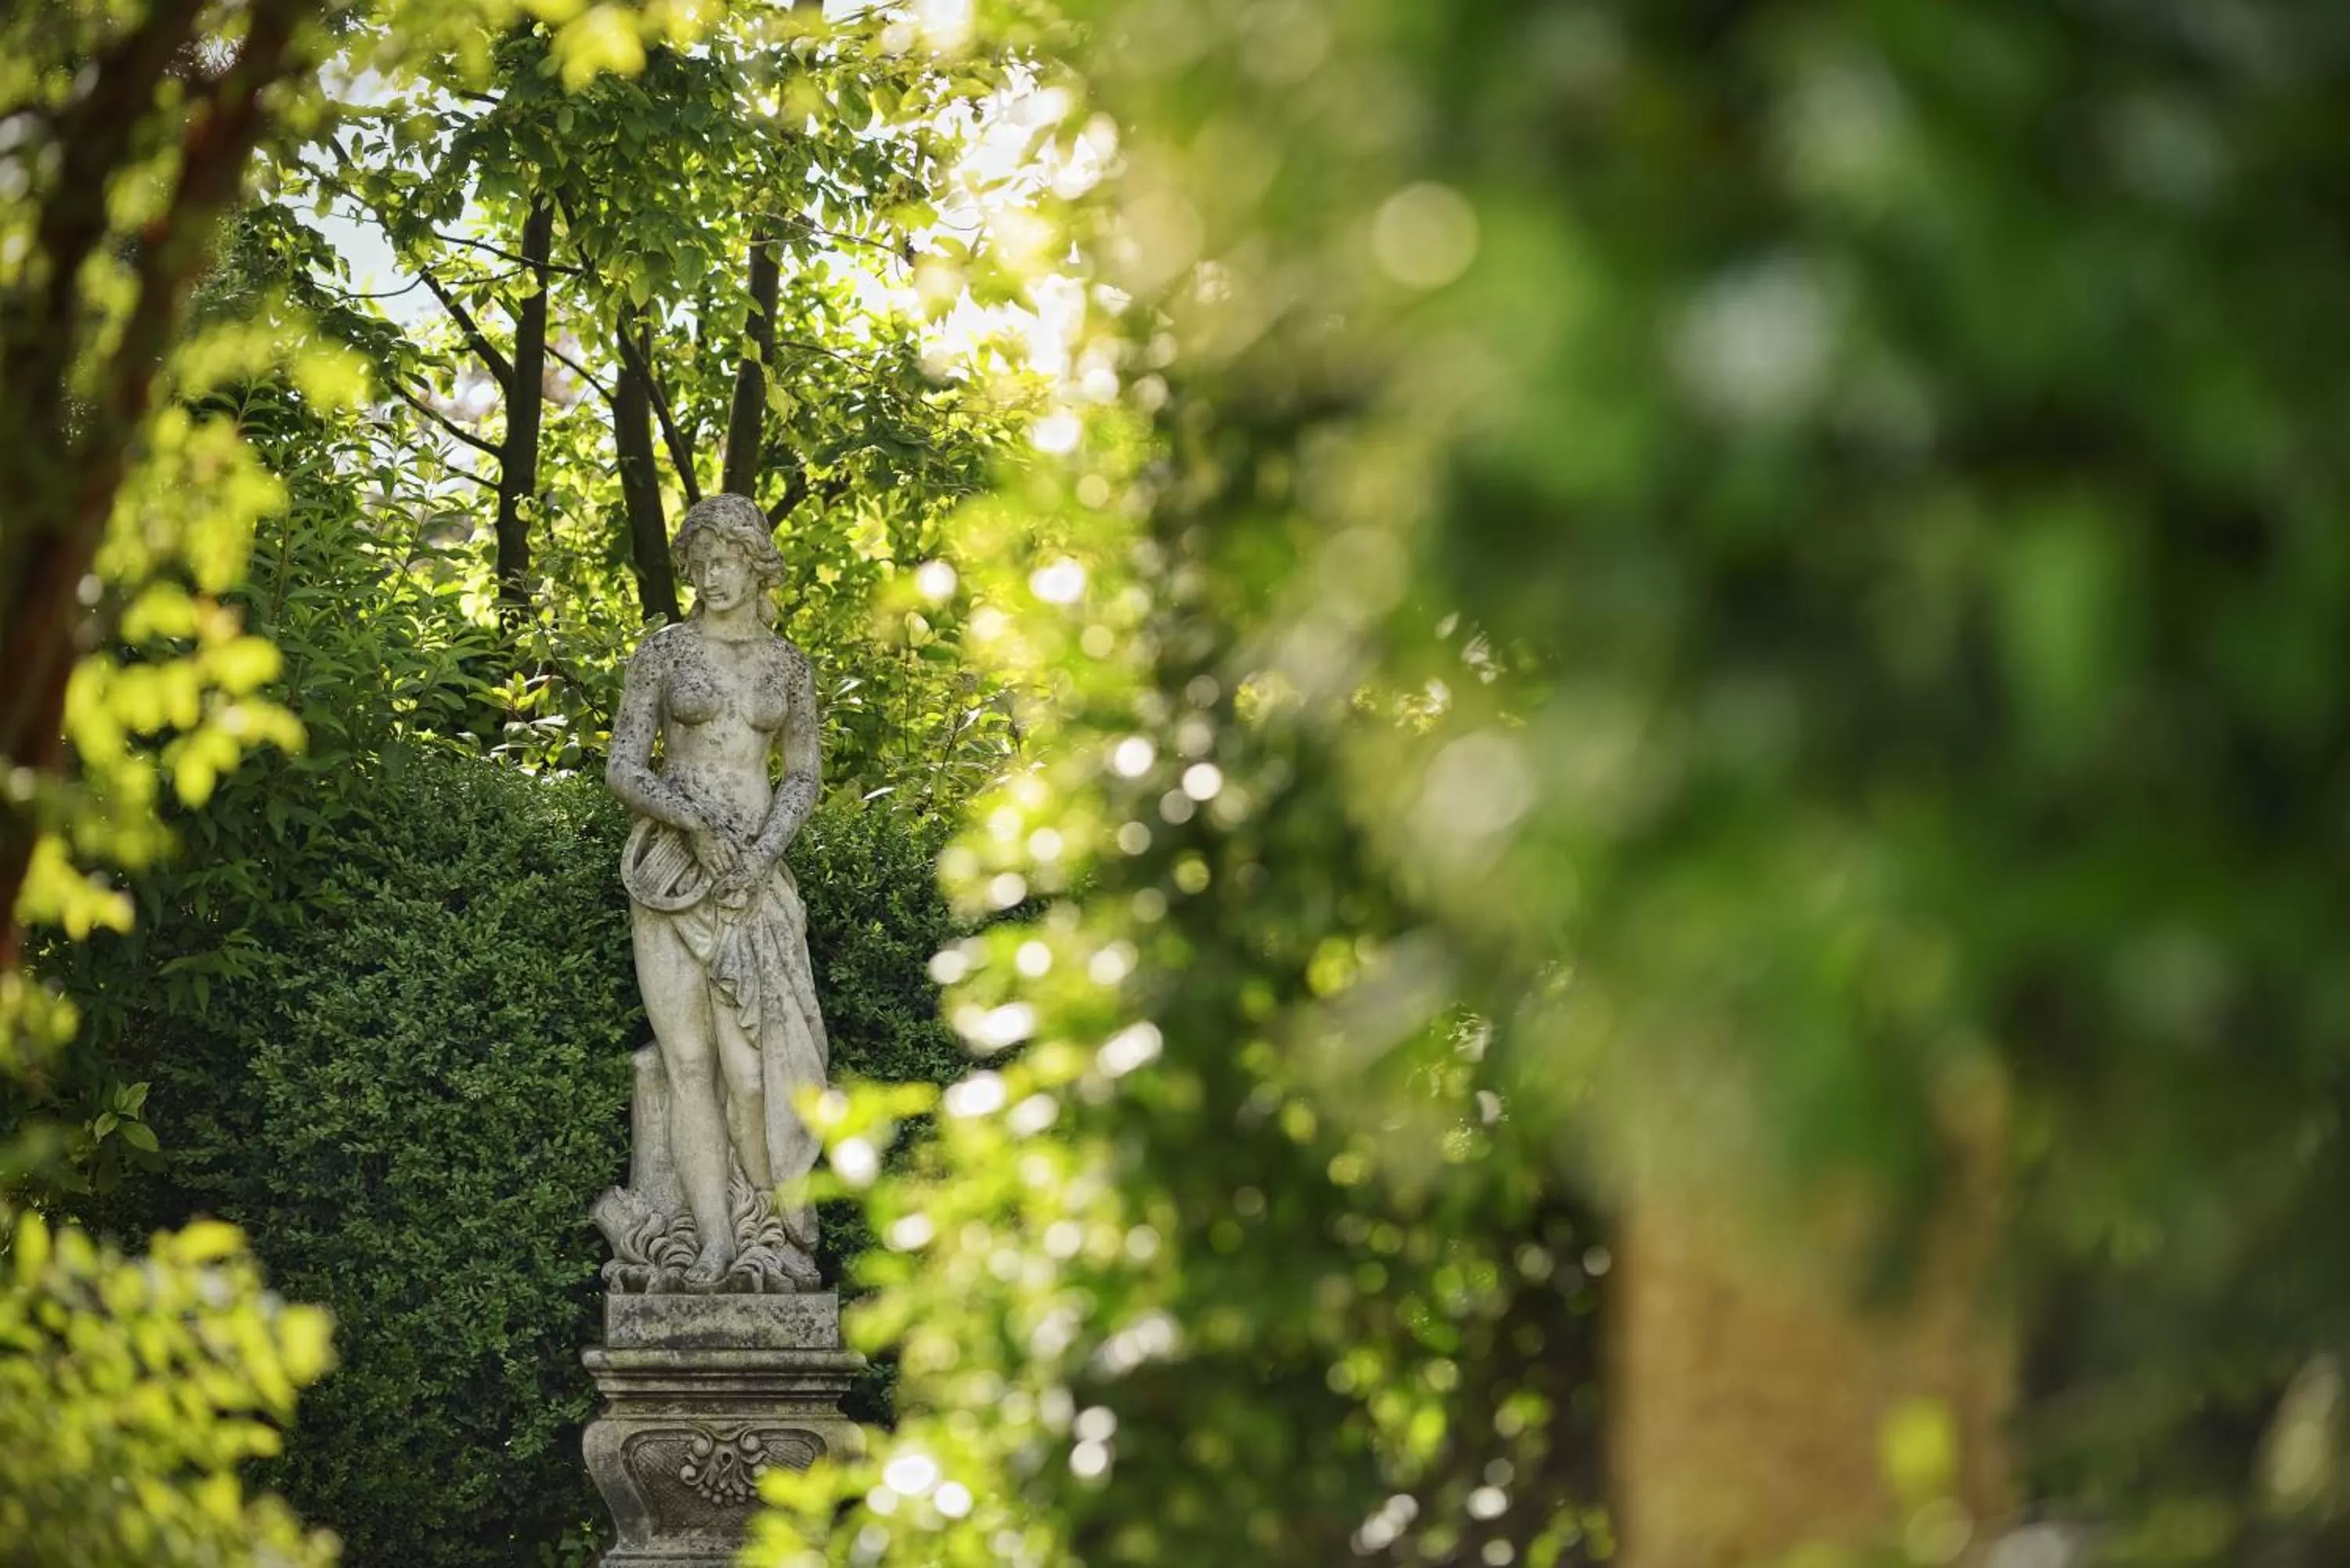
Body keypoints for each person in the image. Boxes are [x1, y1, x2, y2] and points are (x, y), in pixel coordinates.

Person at [606, 493, 826, 1288]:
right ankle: (713, 1242)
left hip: (754, 884)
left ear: (755, 563)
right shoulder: (664, 653)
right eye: (699, 564)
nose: (711, 577)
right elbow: (624, 766)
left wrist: (763, 854)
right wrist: (691, 823)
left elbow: (803, 775)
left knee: (756, 1070)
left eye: (726, 561)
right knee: (687, 1062)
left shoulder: (787, 665)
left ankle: (772, 1233)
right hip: (672, 874)